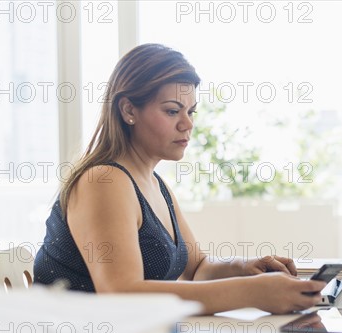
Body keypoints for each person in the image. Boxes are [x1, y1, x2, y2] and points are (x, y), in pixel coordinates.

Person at [33, 44, 325, 314]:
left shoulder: (154, 184)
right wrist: (253, 293)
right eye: (172, 110)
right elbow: (120, 294)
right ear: (128, 110)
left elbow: (197, 269)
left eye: (191, 111)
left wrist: (246, 269)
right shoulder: (104, 182)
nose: (187, 124)